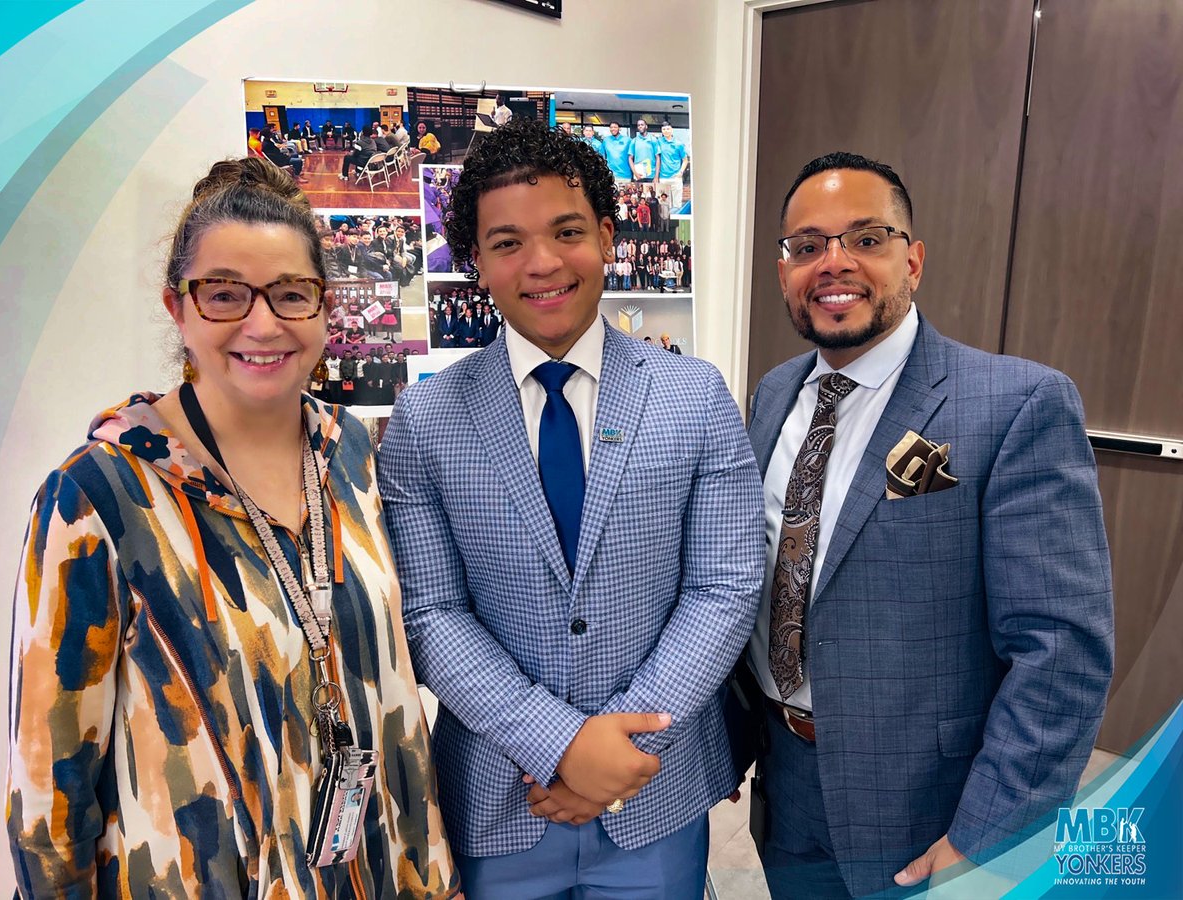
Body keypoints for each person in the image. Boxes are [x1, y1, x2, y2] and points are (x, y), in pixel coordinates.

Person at [6, 157, 458, 897]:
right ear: (177, 308)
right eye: (224, 295)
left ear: (325, 308)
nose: (262, 323)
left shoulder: (356, 455)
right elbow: (47, 794)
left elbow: (396, 703)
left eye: (290, 295)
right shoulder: (97, 497)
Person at [376, 117, 763, 898]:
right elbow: (430, 613)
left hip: (657, 790)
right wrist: (560, 745)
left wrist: (614, 757)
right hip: (499, 795)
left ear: (610, 237)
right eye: (509, 242)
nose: (543, 263)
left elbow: (723, 588)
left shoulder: (694, 395)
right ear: (476, 262)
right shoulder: (426, 419)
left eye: (567, 231)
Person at [736, 151, 1114, 898]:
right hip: (788, 781)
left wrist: (992, 838)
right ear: (783, 271)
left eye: (866, 238)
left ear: (912, 259)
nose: (832, 263)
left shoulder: (1015, 405)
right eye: (806, 246)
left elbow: (1061, 652)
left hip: (931, 803)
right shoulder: (774, 393)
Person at [656, 123, 690, 212]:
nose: (666, 131)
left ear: (671, 130)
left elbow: (685, 160)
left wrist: (681, 172)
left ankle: (676, 224)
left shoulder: (679, 144)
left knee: (677, 204)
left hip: (675, 177)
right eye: (663, 129)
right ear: (661, 131)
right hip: (663, 177)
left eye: (667, 129)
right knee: (664, 204)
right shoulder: (659, 142)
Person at [629, 118, 659, 183]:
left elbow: (658, 158)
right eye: (638, 125)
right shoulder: (634, 141)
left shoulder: (653, 139)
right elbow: (630, 158)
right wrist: (635, 173)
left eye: (642, 125)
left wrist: (656, 176)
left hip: (652, 176)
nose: (640, 126)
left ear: (646, 126)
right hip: (638, 176)